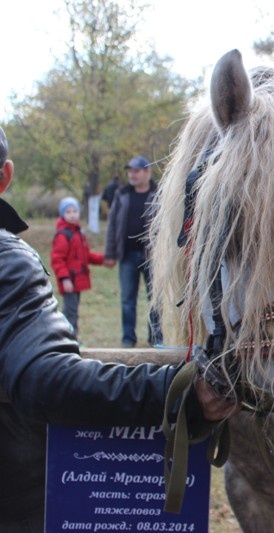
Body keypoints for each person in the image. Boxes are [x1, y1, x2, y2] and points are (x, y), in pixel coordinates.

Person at [0, 127, 237, 532]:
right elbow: (45, 379)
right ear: (6, 175)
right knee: (128, 303)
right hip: (15, 507)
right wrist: (178, 394)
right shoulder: (7, 259)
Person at [105, 156, 163, 347]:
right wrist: (109, 254)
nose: (132, 174)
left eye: (136, 171)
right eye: (130, 171)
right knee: (127, 300)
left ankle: (156, 338)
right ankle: (128, 339)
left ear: (147, 172)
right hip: (127, 256)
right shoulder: (121, 195)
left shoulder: (159, 194)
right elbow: (112, 225)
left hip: (152, 257)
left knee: (155, 300)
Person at [50, 196, 107, 342]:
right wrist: (64, 279)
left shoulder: (78, 233)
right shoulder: (63, 235)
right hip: (70, 281)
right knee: (70, 311)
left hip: (78, 281)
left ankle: (72, 337)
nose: (72, 214)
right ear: (63, 214)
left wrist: (103, 259)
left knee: (73, 311)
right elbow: (57, 260)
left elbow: (85, 255)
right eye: (68, 212)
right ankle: (68, 339)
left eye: (74, 211)